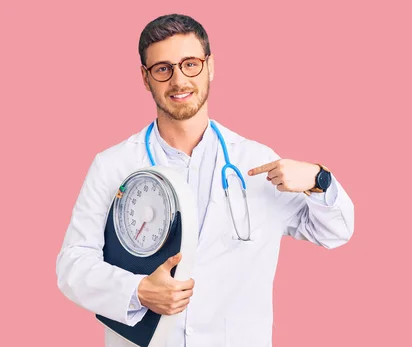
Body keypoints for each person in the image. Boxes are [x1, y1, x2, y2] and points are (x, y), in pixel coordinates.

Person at [56, 13, 354, 347]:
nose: (178, 80)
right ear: (145, 77)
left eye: (190, 64)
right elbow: (72, 265)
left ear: (210, 67)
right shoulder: (113, 165)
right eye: (163, 68)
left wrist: (318, 178)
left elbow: (336, 232)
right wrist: (137, 291)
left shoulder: (256, 162)